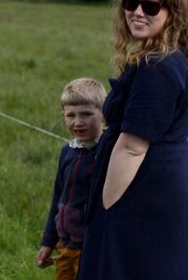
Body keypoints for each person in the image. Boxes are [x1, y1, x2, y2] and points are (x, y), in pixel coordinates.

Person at [78, 0, 188, 279]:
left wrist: (106, 207)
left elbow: (133, 147)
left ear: (172, 14)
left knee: (130, 264)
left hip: (143, 185)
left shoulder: (156, 67)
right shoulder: (170, 57)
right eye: (131, 2)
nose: (137, 12)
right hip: (163, 178)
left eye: (150, 6)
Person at [37, 78, 106, 280]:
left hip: (92, 247)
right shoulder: (67, 151)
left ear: (104, 114)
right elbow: (58, 197)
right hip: (65, 245)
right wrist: (48, 242)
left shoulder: (108, 153)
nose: (78, 122)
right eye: (71, 115)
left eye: (86, 114)